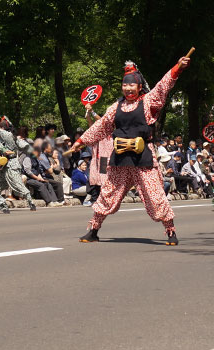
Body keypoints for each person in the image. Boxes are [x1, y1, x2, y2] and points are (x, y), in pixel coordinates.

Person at [71, 56, 191, 245]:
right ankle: (93, 230)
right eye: (124, 85)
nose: (127, 89)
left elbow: (163, 86)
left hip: (143, 158)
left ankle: (170, 231)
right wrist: (81, 141)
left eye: (131, 85)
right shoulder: (115, 107)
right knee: (107, 193)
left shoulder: (148, 101)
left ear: (139, 86)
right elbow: (101, 126)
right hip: (120, 157)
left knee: (155, 195)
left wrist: (177, 68)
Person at [0, 109, 37, 211]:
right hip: (3, 165)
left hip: (12, 164)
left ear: (3, 128)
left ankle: (30, 201)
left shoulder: (8, 135)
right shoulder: (5, 138)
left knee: (18, 184)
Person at [84, 103, 114, 204]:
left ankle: (105, 199)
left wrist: (92, 111)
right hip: (95, 158)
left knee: (103, 179)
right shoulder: (96, 132)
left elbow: (101, 121)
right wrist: (88, 113)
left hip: (105, 158)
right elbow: (90, 124)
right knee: (94, 178)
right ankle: (95, 199)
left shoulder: (108, 130)